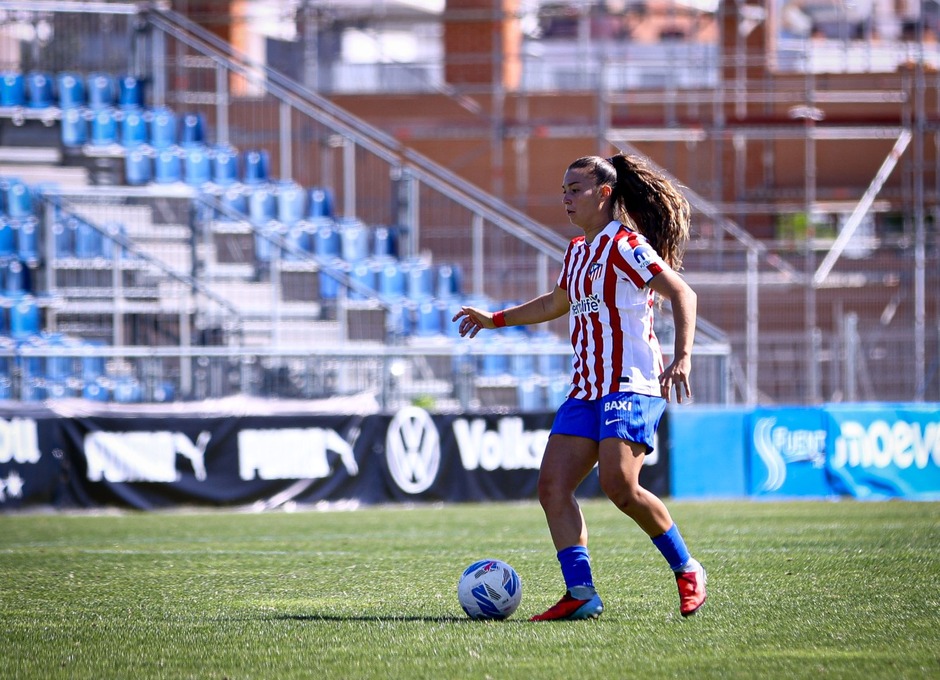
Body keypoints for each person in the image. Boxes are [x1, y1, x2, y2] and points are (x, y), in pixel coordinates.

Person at [452, 153, 706, 621]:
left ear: (604, 193)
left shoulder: (626, 244)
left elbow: (682, 293)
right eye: (564, 189)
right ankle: (581, 593)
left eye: (576, 189)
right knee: (552, 486)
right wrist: (495, 320)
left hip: (630, 383)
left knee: (619, 486)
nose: (566, 198)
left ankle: (687, 568)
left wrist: (682, 356)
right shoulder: (577, 251)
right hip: (587, 387)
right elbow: (555, 303)